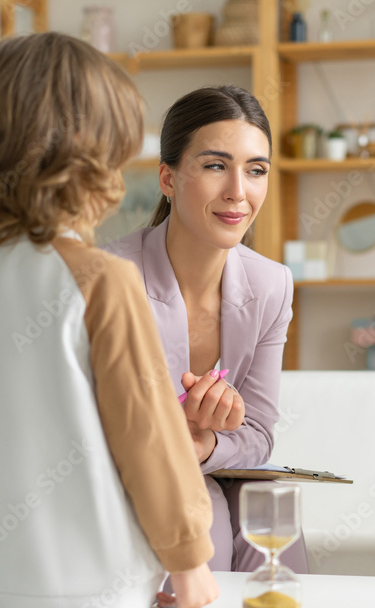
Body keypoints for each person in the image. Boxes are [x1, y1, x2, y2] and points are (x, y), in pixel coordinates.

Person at [0, 33, 217, 608]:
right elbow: (147, 435)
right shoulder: (103, 280)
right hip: (88, 601)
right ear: (91, 161)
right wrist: (188, 558)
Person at [104, 85, 308, 574]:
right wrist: (172, 440)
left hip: (204, 467)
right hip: (120, 474)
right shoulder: (110, 278)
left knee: (272, 513)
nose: (239, 190)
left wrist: (206, 445)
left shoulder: (272, 284)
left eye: (256, 170)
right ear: (168, 179)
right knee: (206, 516)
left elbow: (258, 433)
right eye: (216, 165)